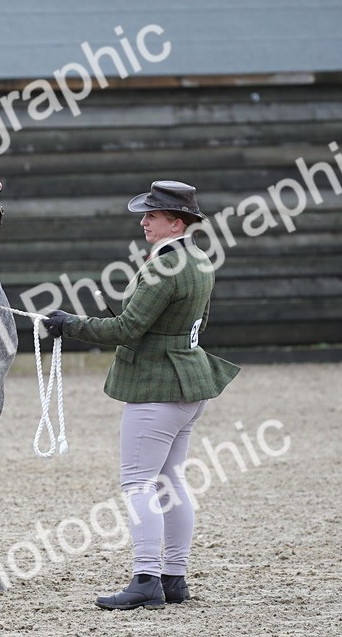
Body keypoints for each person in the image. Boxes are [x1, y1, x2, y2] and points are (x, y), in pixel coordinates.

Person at [43, 181, 240, 610]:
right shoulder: (201, 260)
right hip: (190, 385)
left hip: (158, 390)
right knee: (172, 481)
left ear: (177, 221)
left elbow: (126, 329)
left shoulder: (162, 267)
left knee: (138, 484)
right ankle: (174, 578)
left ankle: (147, 577)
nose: (144, 221)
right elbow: (198, 323)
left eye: (152, 215)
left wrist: (69, 323)